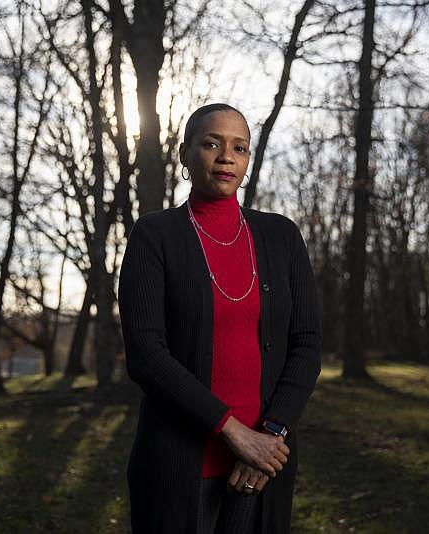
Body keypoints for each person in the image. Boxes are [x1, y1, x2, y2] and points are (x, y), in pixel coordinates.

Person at [117, 103, 321, 533]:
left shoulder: (282, 237)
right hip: (177, 467)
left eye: (239, 147)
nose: (226, 156)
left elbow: (306, 344)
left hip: (263, 467)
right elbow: (146, 355)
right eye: (212, 143)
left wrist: (270, 438)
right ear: (186, 153)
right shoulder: (154, 236)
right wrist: (234, 433)